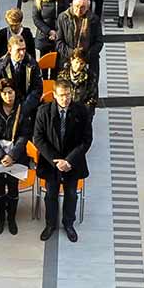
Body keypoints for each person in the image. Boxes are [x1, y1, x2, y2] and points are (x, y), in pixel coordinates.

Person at [35, 78, 93, 243]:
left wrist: (68, 161)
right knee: (51, 195)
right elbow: (38, 139)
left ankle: (68, 223)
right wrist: (56, 161)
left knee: (71, 195)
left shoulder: (81, 111)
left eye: (68, 95)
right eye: (61, 95)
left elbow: (86, 140)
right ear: (54, 95)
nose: (65, 99)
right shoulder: (43, 112)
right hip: (51, 163)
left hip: (72, 164)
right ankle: (50, 224)